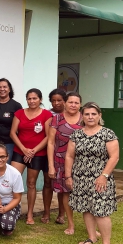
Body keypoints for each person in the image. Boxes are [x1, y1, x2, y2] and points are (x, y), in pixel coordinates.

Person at [65, 102, 119, 244]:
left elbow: (114, 157)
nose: (90, 117)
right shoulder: (76, 134)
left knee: (101, 211)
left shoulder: (108, 134)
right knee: (86, 208)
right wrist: (68, 176)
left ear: (99, 116)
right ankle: (92, 237)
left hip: (100, 179)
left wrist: (104, 176)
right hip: (80, 178)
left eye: (93, 114)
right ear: (83, 116)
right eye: (87, 114)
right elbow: (69, 156)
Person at [10, 88, 52, 225]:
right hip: (19, 151)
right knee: (12, 180)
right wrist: (23, 149)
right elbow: (12, 133)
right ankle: (11, 210)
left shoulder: (46, 115)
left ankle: (29, 214)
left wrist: (33, 151)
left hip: (38, 153)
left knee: (31, 184)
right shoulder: (19, 113)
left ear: (40, 99)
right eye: (29, 98)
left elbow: (48, 136)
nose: (32, 101)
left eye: (35, 98)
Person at [47, 92, 82, 235]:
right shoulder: (56, 119)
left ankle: (91, 225)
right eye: (70, 102)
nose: (73, 105)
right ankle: (71, 224)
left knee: (85, 193)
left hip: (81, 161)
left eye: (76, 103)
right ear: (65, 103)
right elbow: (50, 142)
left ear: (80, 105)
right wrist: (50, 165)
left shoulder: (85, 118)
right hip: (60, 161)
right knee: (66, 192)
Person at [41, 89, 68, 223]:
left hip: (66, 155)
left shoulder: (70, 114)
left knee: (63, 185)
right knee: (48, 182)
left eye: (59, 100)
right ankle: (46, 212)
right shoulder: (47, 114)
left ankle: (61, 214)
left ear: (65, 101)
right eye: (53, 100)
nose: (56, 103)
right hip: (50, 153)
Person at [0, 78, 22, 161]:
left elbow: (20, 127)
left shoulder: (16, 106)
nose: (2, 89)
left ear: (9, 89)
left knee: (6, 168)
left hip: (9, 143)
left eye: (5, 87)